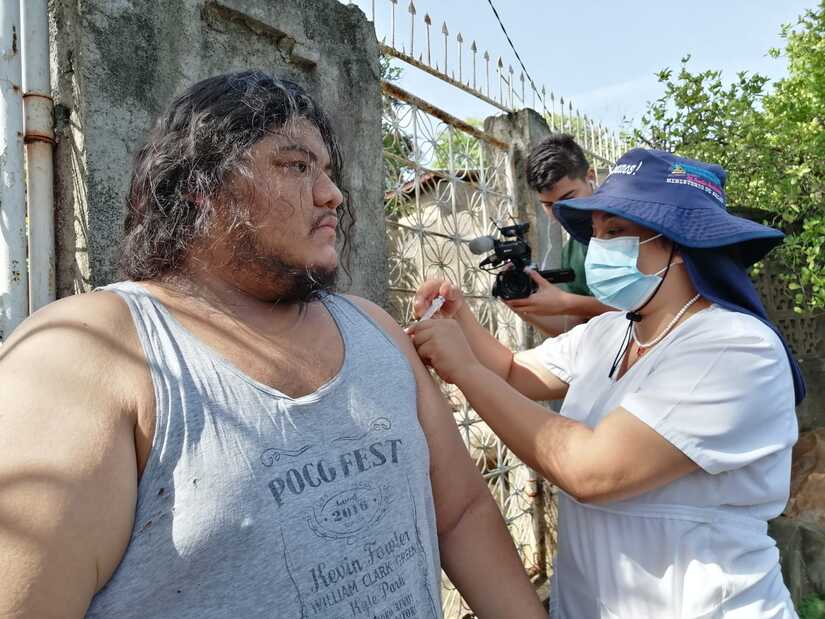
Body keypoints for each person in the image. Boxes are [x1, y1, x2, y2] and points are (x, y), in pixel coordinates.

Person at [0, 71, 546, 619]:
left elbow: (462, 514)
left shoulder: (375, 328)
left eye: (327, 171)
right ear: (201, 188)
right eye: (296, 166)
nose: (332, 194)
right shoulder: (89, 352)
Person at [408, 149, 806, 618]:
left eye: (615, 232)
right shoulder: (611, 330)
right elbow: (515, 373)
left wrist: (466, 371)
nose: (598, 248)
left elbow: (592, 470)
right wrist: (461, 320)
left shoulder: (735, 347)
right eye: (595, 233)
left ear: (681, 244)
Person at [504, 133, 611, 337]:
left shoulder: (629, 227)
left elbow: (648, 307)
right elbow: (575, 328)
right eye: (548, 205)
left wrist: (566, 302)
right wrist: (524, 307)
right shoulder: (571, 250)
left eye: (568, 198)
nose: (559, 212)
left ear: (591, 177)